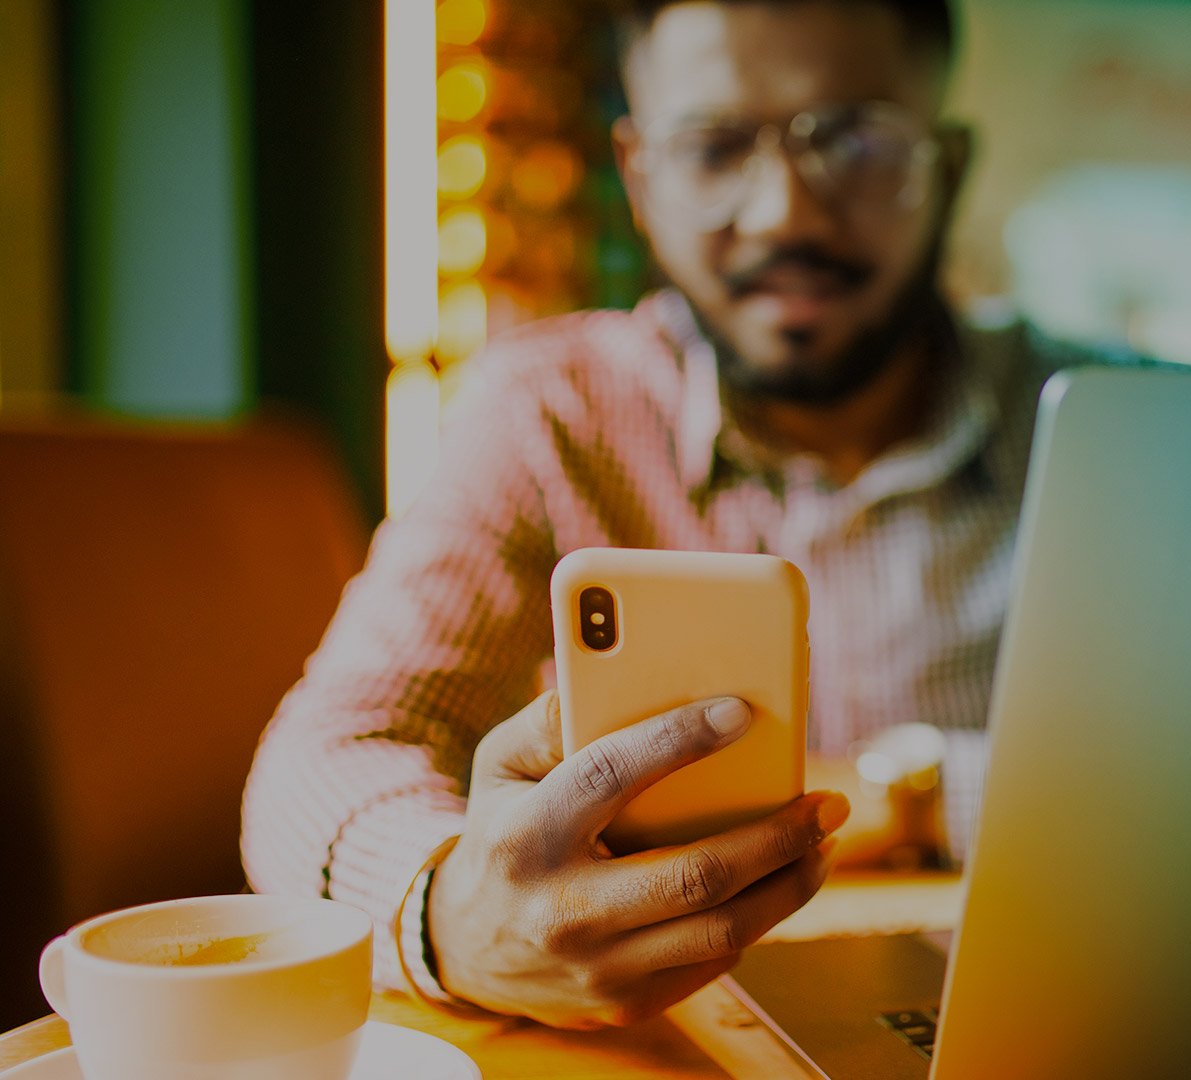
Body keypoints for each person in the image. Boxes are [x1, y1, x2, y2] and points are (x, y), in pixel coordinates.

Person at [242, 0, 1096, 1029]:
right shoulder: (549, 412)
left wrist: (902, 792)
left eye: (857, 138)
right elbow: (327, 754)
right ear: (640, 179)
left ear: (946, 169)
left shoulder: (1127, 429)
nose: (784, 211)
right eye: (714, 145)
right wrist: (453, 914)